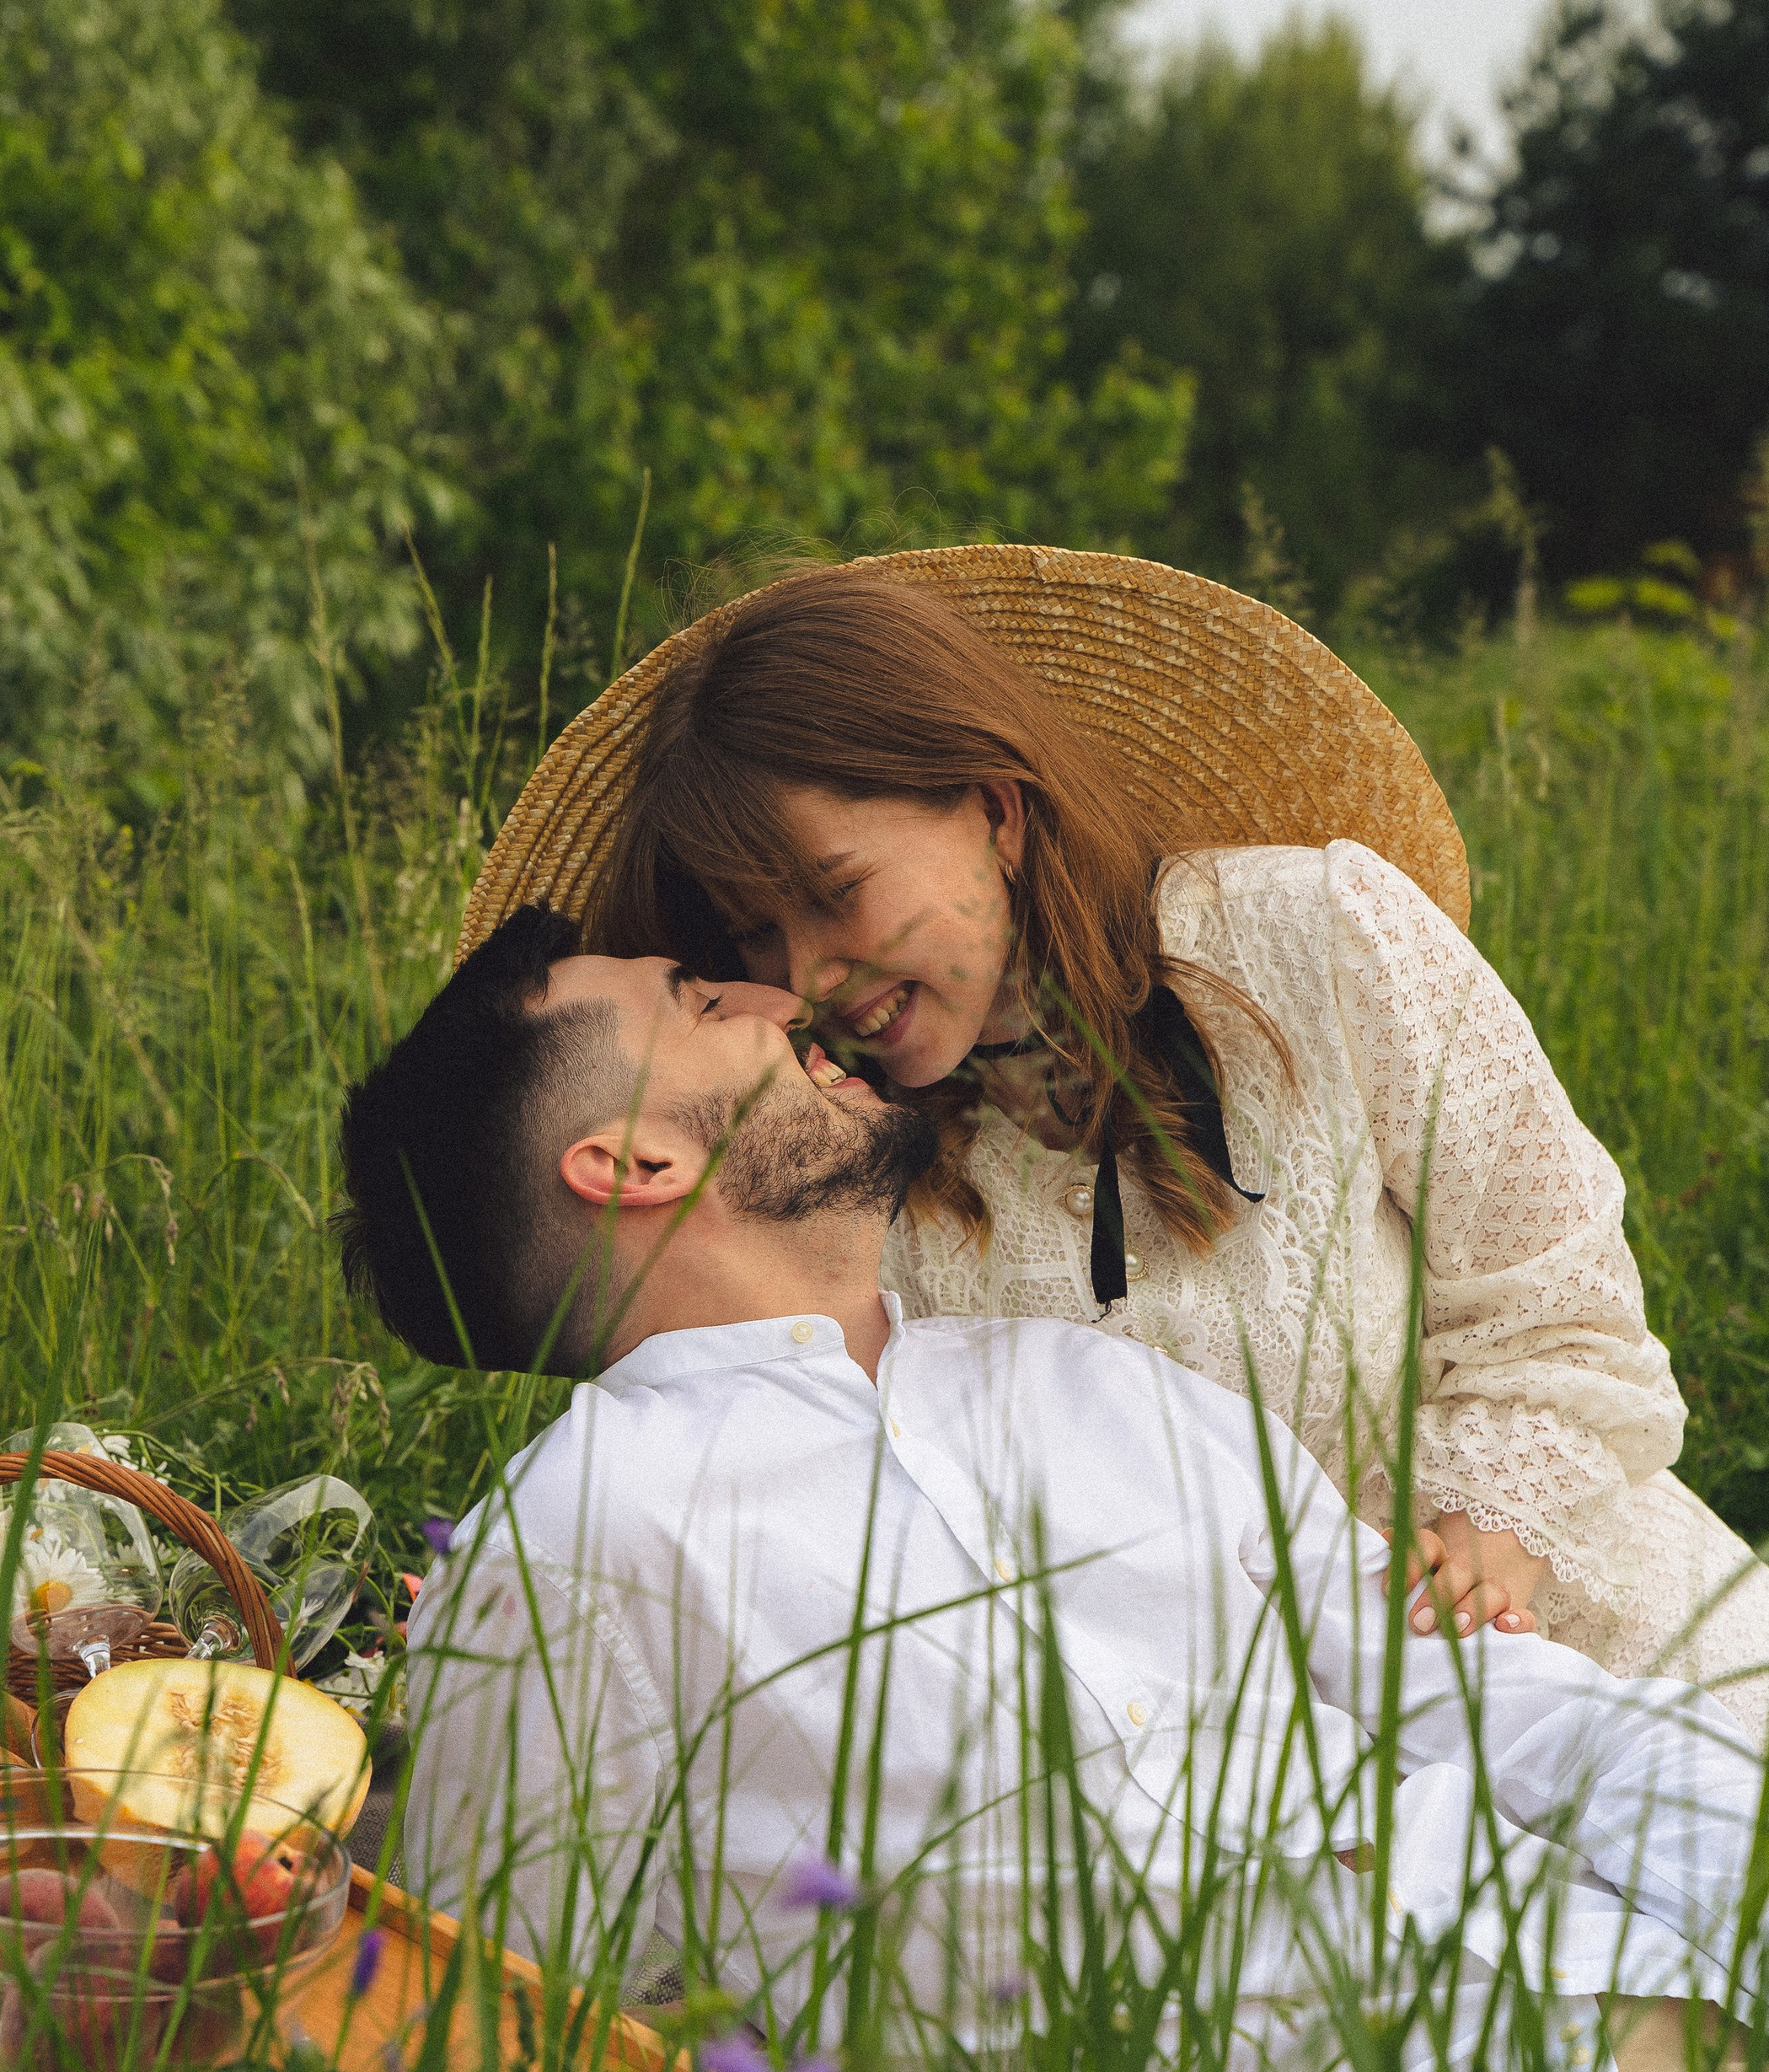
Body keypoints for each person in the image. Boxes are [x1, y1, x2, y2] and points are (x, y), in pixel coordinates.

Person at [339, 906, 1766, 2072]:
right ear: (634, 1161)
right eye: (712, 1006)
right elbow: (492, 2025)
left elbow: (1477, 1695)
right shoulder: (573, 1537)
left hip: (1630, 1992)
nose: (786, 1002)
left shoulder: (1084, 1381)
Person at [454, 545, 1769, 1737]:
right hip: (1236, 1796)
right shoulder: (832, 1170)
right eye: (752, 936)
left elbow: (1562, 1317)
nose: (805, 973)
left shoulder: (1319, 938)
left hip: (1593, 1643)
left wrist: (1485, 1533)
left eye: (833, 891)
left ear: (995, 809)